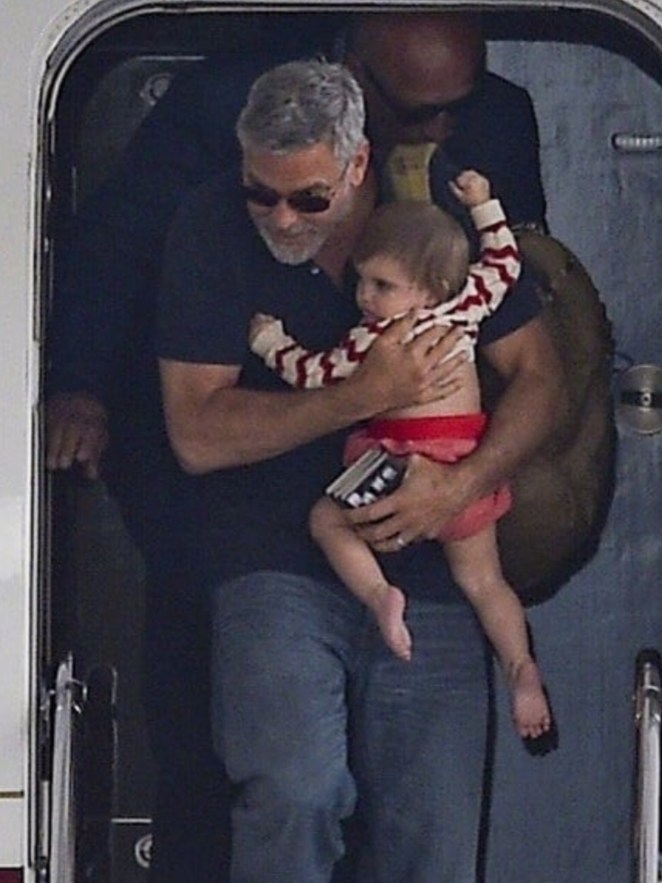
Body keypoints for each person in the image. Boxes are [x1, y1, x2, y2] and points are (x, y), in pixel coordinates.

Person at [47, 12, 554, 879]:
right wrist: (364, 393)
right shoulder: (214, 219)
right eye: (264, 192)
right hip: (267, 555)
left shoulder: (443, 209)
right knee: (293, 795)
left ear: (357, 163)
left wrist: (461, 482)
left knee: (431, 829)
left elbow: (540, 374)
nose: (281, 215)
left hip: (438, 560)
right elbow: (196, 431)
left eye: (308, 199)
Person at [249, 169, 552, 740]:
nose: (365, 297)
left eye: (383, 285)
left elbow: (312, 373)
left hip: (397, 459)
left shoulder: (375, 339)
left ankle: (379, 594)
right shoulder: (467, 309)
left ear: (430, 289)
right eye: (362, 280)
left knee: (326, 519)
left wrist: (270, 342)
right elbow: (503, 262)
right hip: (464, 460)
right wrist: (484, 203)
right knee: (486, 583)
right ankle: (520, 667)